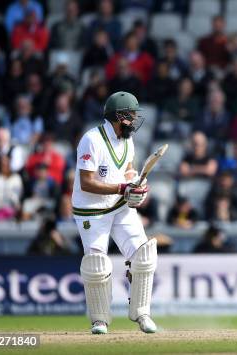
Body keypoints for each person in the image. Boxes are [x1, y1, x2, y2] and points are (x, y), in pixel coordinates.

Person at [72, 91, 157, 334]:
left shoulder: (127, 140)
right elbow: (87, 182)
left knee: (144, 255)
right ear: (118, 116)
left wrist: (135, 185)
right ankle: (99, 319)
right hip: (91, 209)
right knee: (96, 263)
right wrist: (123, 187)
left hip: (119, 205)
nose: (135, 120)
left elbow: (128, 169)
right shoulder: (91, 140)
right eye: (131, 115)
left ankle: (142, 314)